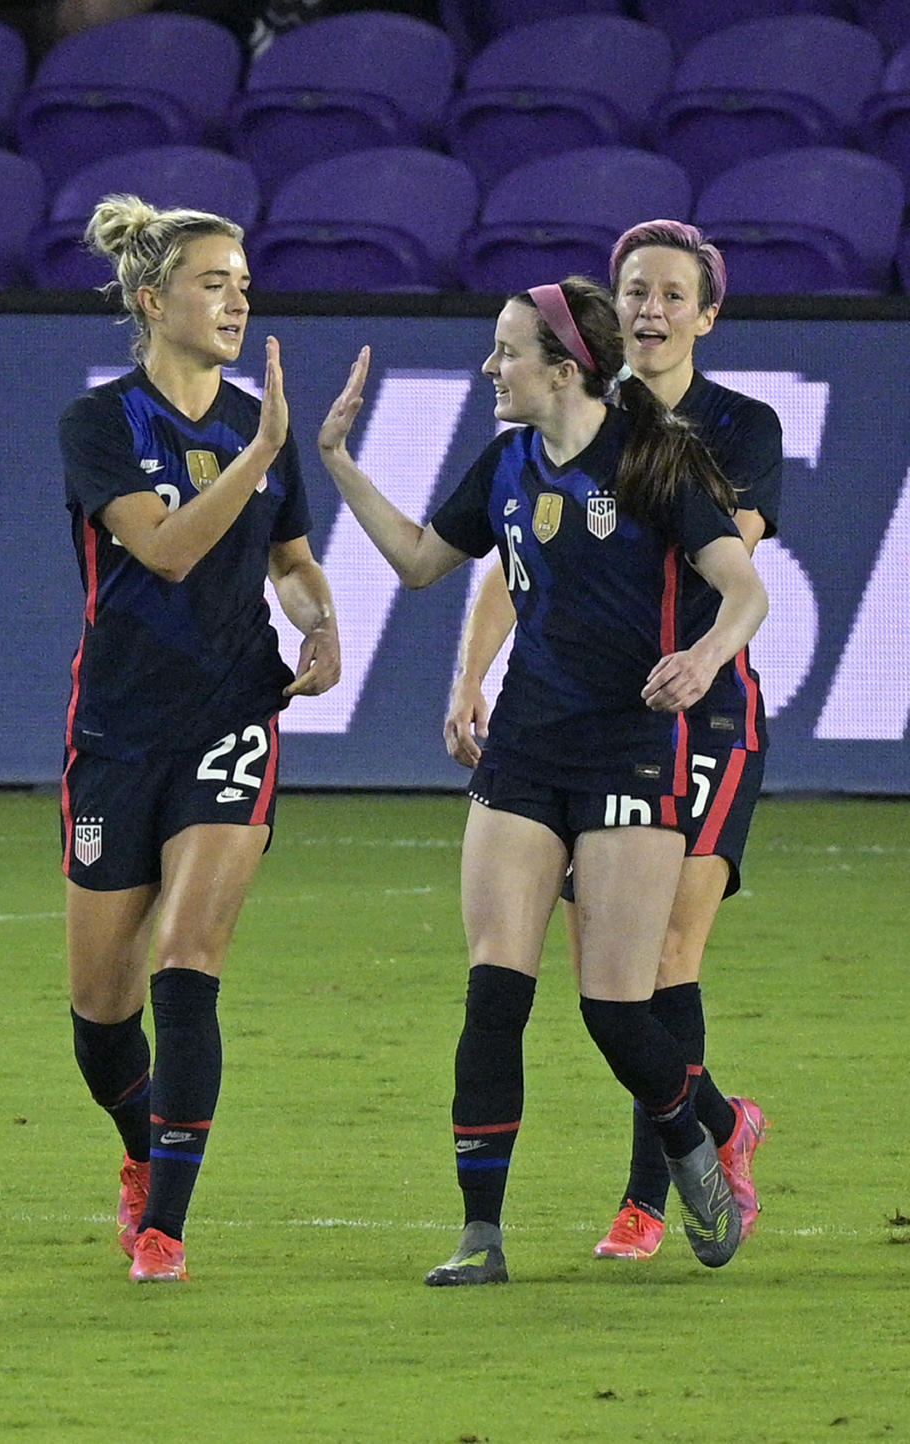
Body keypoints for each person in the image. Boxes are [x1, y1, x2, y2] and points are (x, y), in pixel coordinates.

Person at [317, 275, 769, 1282]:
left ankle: (709, 1133)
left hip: (630, 751)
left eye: (506, 351)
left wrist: (701, 661)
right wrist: (340, 464)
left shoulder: (652, 463)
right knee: (494, 993)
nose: (491, 368)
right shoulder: (508, 461)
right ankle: (481, 1236)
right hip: (524, 751)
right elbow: (422, 561)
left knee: (615, 1009)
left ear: (563, 370)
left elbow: (744, 588)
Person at [444, 220, 782, 1263]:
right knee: (605, 974)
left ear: (706, 316)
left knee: (661, 957)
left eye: (674, 294)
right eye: (635, 290)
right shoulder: (574, 419)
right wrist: (473, 673)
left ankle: (651, 1193)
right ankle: (713, 1127)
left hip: (701, 712)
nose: (651, 309)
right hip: (584, 719)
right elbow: (512, 557)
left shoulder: (734, 427)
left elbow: (727, 558)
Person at [59, 194, 340, 1283]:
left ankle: (165, 1229)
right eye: (214, 282)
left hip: (233, 714)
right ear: (151, 299)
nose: (237, 300)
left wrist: (320, 620)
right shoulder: (102, 425)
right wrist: (258, 450)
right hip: (119, 731)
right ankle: (143, 1150)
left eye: (244, 283)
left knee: (187, 962)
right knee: (99, 1016)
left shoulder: (254, 421)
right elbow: (169, 549)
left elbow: (292, 560)